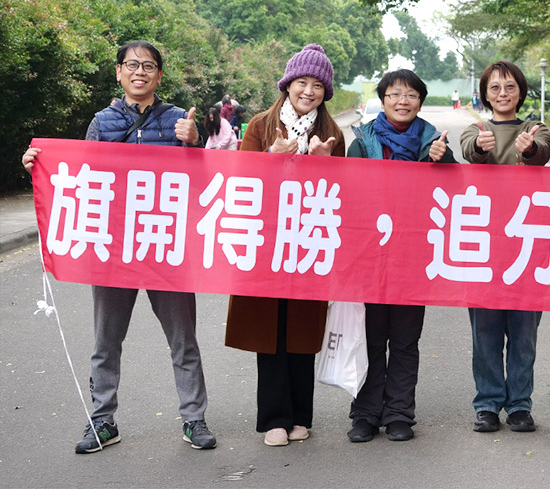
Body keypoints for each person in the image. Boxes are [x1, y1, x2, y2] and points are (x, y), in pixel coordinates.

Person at [21, 40, 216, 454]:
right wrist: (39, 168)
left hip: (166, 248)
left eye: (149, 66)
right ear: (118, 73)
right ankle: (102, 420)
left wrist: (195, 143)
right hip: (113, 250)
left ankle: (194, 419)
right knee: (105, 341)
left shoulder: (181, 121)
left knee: (184, 339)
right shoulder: (101, 123)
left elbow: (205, 187)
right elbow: (80, 179)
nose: (140, 72)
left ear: (160, 75)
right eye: (132, 65)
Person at [224, 44, 344, 447]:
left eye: (317, 85)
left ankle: (300, 416)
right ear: (288, 85)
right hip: (266, 243)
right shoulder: (260, 124)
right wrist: (269, 159)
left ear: (326, 91)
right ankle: (273, 418)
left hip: (308, 242)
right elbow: (241, 182)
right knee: (269, 330)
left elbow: (341, 195)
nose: (308, 91)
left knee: (302, 330)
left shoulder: (332, 132)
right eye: (301, 83)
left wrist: (325, 164)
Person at [346, 69, 455, 443]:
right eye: (394, 94)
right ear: (383, 99)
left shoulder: (433, 141)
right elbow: (348, 197)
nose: (402, 101)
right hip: (371, 256)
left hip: (414, 257)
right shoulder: (362, 141)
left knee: (405, 341)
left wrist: (444, 160)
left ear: (420, 101)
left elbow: (456, 191)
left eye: (411, 95)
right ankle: (364, 413)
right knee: (371, 338)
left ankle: (399, 414)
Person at [459, 61, 550, 434]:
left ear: (520, 91)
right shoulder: (476, 128)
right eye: (495, 87)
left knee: (523, 333)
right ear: (485, 93)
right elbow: (468, 150)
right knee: (485, 332)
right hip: (484, 246)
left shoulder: (535, 128)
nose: (502, 93)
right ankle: (487, 403)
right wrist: (481, 150)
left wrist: (529, 151)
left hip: (529, 245)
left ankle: (519, 405)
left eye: (510, 86)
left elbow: (544, 151)